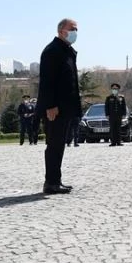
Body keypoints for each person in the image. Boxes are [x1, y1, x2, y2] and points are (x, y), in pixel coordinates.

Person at [36, 18, 82, 194]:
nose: (75, 32)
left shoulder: (66, 51)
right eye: (72, 29)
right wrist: (51, 105)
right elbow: (47, 81)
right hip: (55, 109)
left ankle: (56, 180)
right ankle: (51, 182)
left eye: (76, 29)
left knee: (60, 144)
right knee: (54, 144)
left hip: (65, 108)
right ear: (61, 30)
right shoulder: (52, 51)